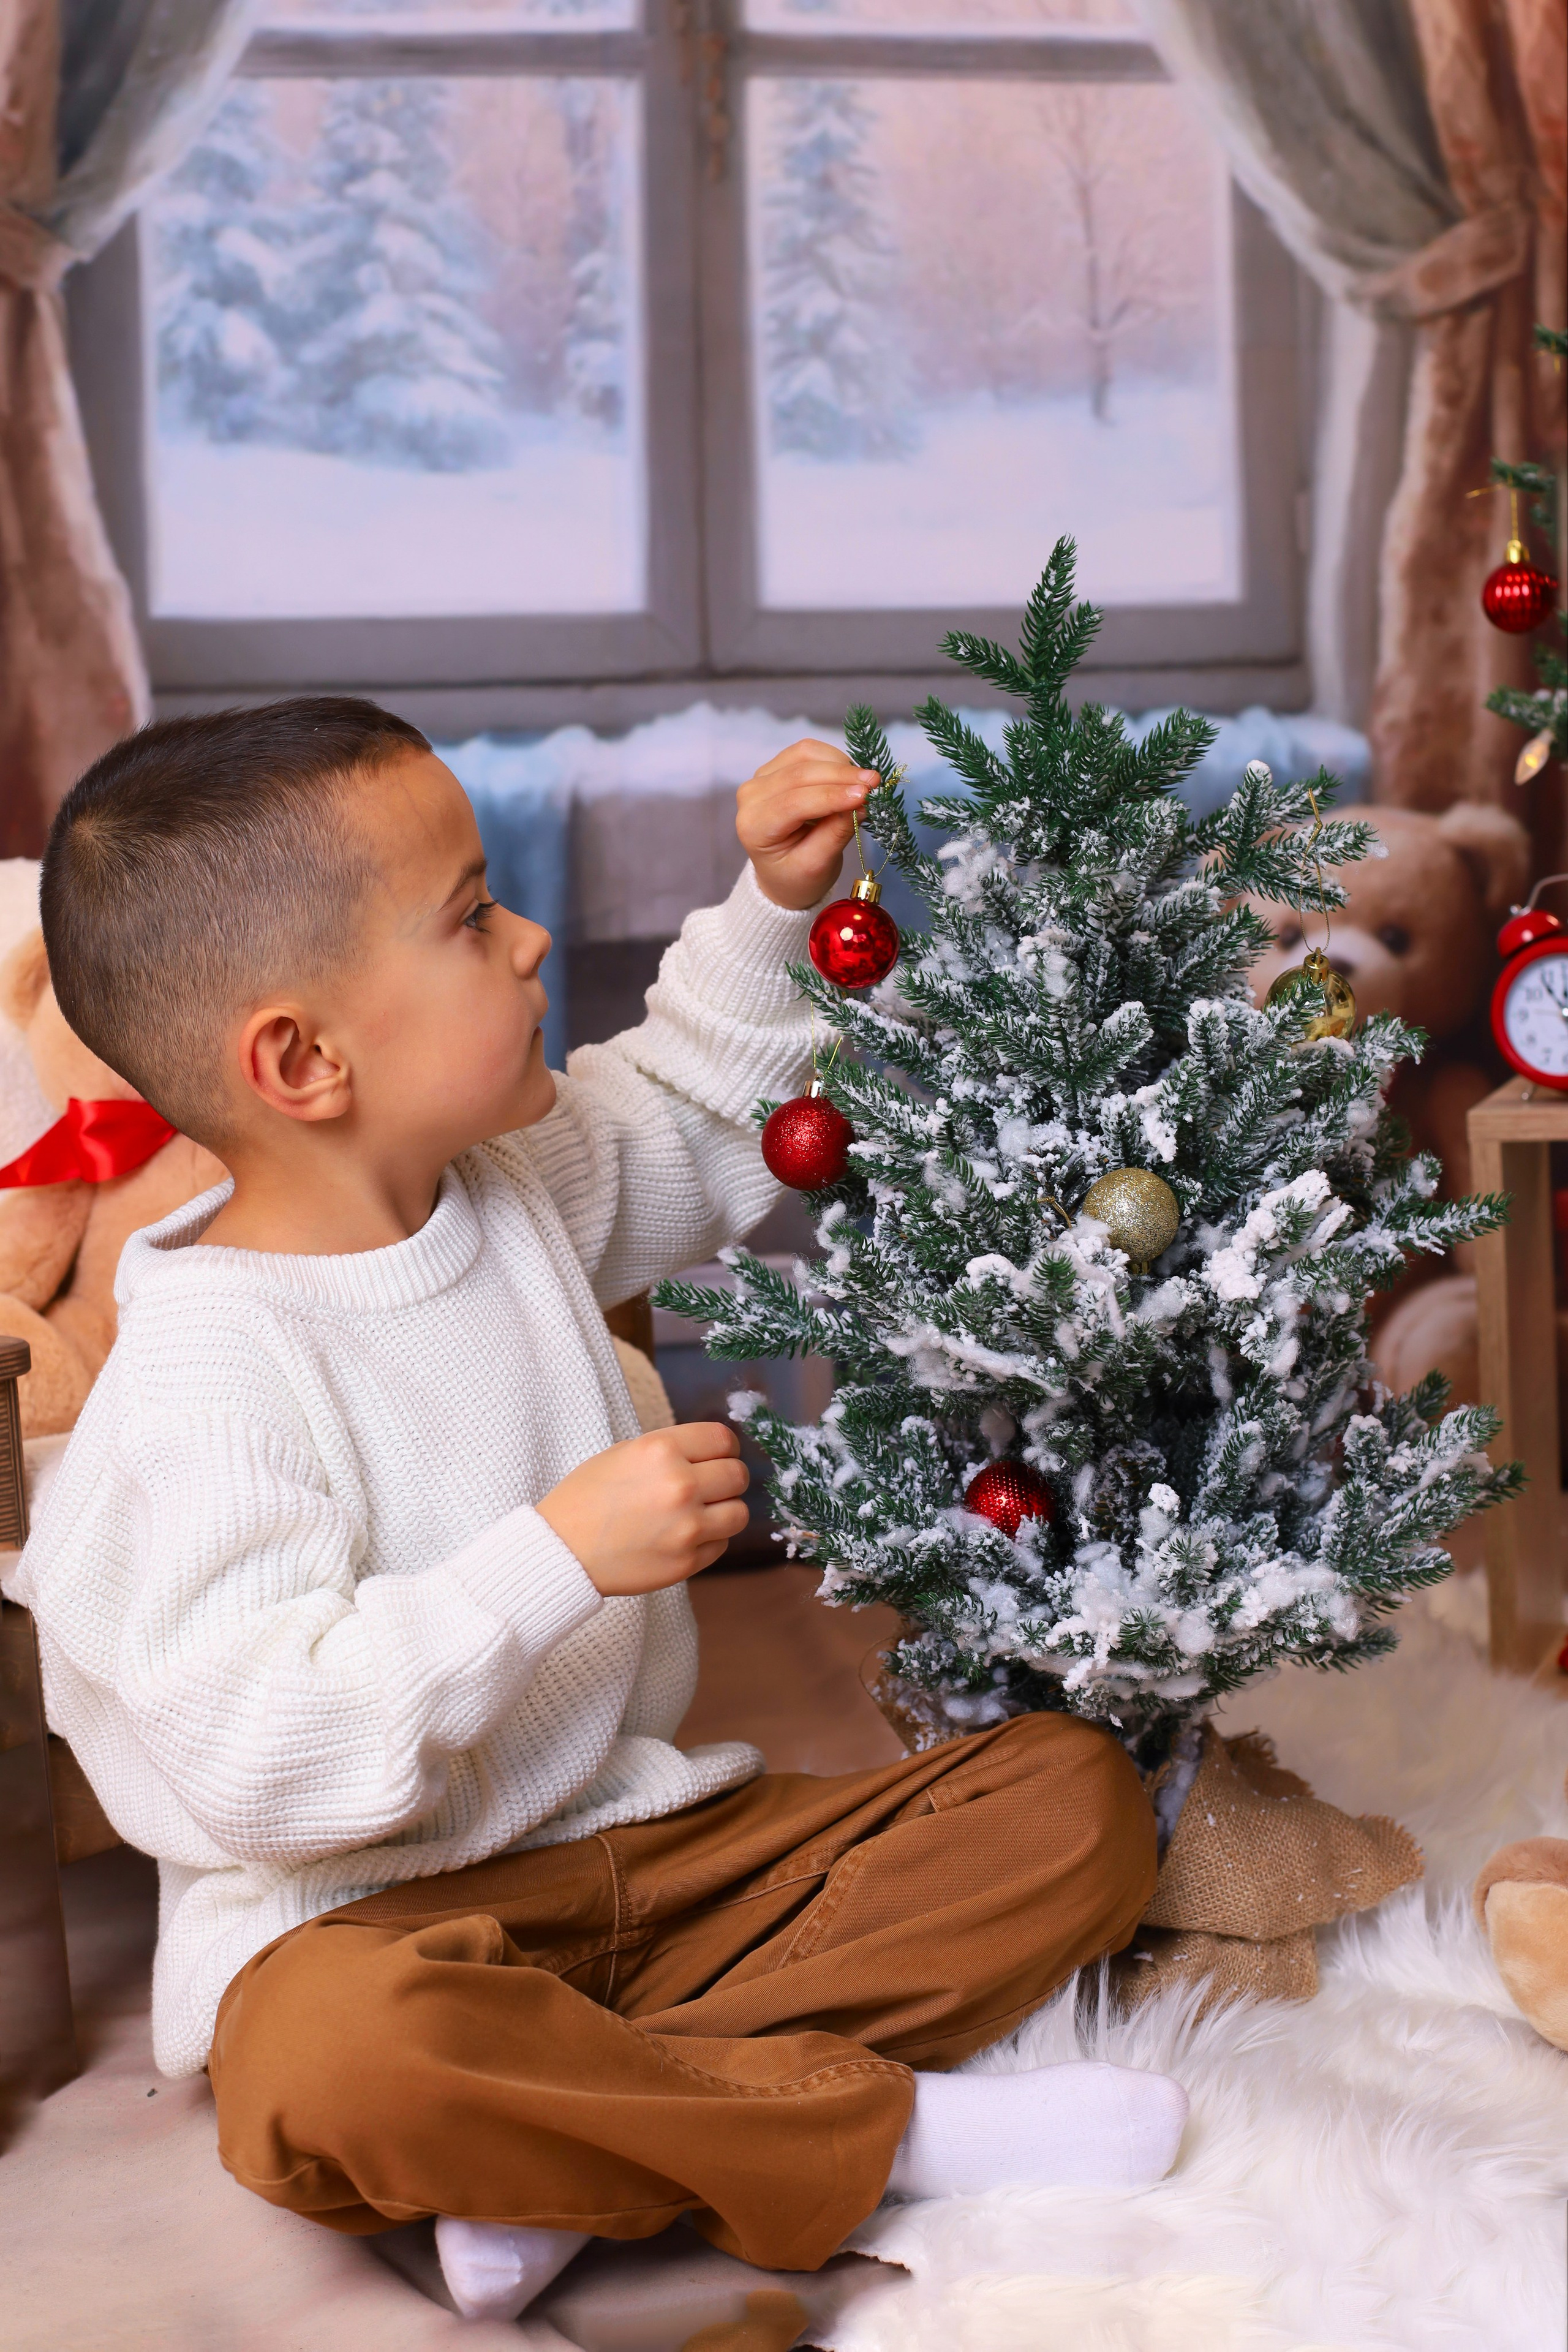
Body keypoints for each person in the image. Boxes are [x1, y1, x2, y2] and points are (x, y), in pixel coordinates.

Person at [13, 698, 1184, 2324]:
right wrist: (552, 1561)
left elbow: (692, 1112)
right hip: (373, 1928)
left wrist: (774, 905)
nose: (531, 937)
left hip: (659, 1854)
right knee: (331, 2068)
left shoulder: (506, 1191)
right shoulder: (205, 1378)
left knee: (1073, 1806)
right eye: (472, 916)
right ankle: (885, 2134)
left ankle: (571, 2142)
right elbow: (255, 1757)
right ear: (302, 1060)